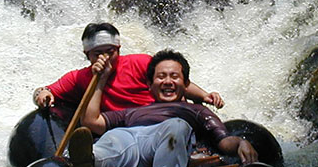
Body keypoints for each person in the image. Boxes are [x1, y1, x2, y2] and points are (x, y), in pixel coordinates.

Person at [68, 49, 258, 167]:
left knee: (176, 126)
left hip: (167, 139)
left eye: (174, 76)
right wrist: (101, 79)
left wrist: (240, 143)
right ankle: (91, 163)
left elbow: (224, 142)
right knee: (114, 139)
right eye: (161, 77)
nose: (167, 81)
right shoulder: (133, 111)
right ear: (150, 85)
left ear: (186, 84)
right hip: (131, 138)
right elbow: (91, 122)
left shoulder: (197, 111)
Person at [33, 23, 223, 114]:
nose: (104, 57)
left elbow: (172, 82)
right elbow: (46, 90)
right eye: (97, 53)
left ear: (118, 49)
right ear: (87, 55)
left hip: (161, 115)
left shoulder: (141, 63)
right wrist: (42, 95)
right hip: (123, 125)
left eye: (110, 51)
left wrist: (204, 96)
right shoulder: (79, 78)